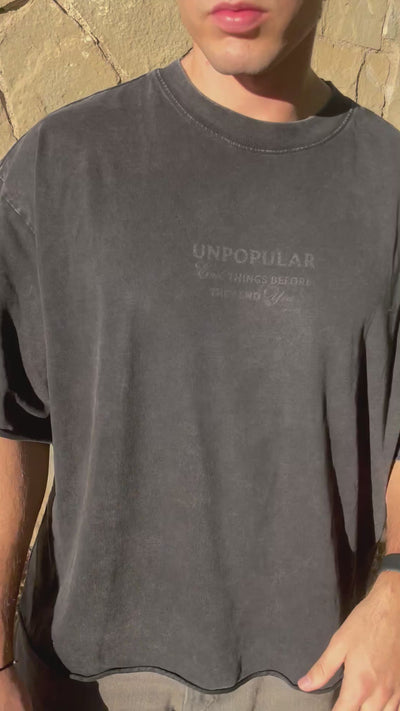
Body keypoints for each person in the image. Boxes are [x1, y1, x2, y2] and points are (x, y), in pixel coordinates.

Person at [1, 0, 400, 709]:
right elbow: (9, 419)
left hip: (317, 681)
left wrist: (398, 587)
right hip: (82, 680)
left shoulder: (388, 184)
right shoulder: (61, 165)